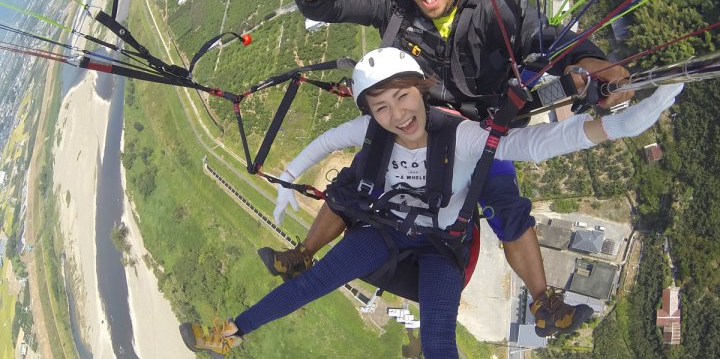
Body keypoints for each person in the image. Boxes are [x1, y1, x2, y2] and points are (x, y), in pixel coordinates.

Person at [258, 0, 632, 333]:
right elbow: (331, 6)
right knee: (355, 183)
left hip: (474, 131)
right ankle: (303, 254)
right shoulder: (392, 3)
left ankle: (543, 302)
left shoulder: (491, 5)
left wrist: (589, 60)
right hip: (414, 123)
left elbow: (540, 35)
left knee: (504, 203)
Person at [180, 48, 682, 359]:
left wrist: (619, 124)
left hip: (441, 249)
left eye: (402, 98)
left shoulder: (460, 135)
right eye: (382, 107)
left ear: (421, 91)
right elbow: (329, 140)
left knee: (440, 343)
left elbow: (533, 144)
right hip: (385, 234)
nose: (396, 115)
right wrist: (289, 177)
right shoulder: (372, 129)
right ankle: (230, 332)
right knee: (317, 278)